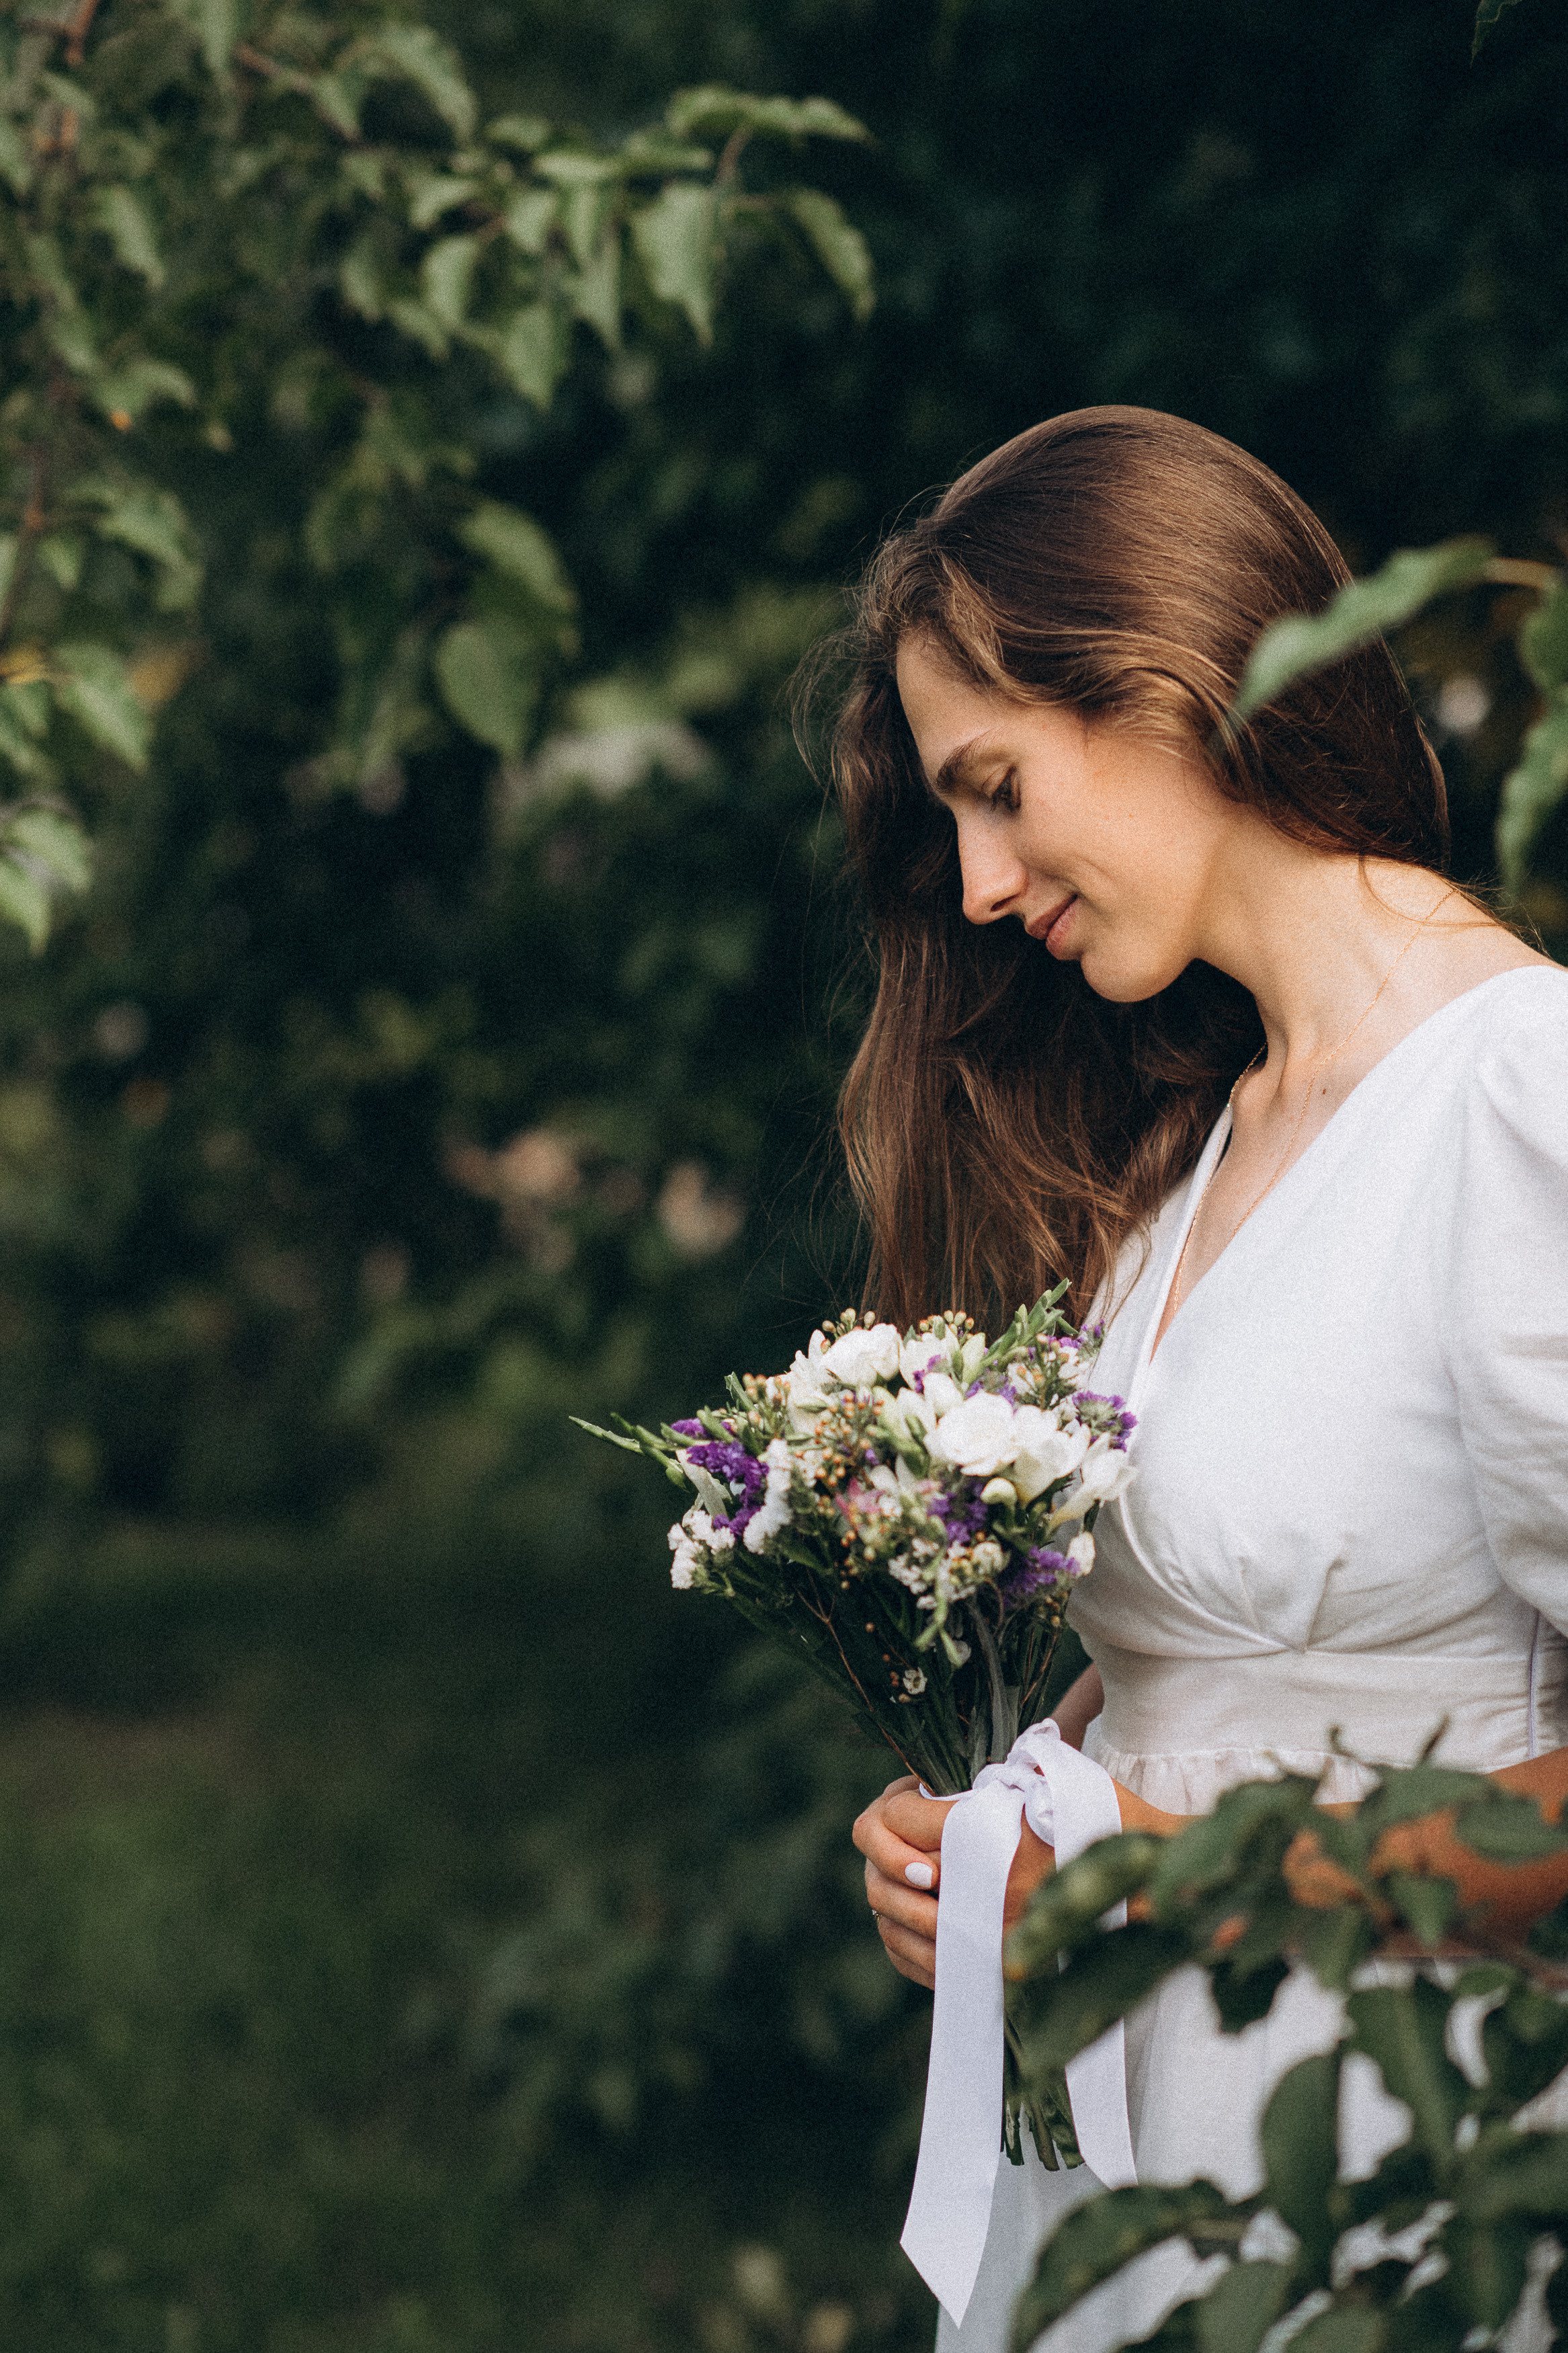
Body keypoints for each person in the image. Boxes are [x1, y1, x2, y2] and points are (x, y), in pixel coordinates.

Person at [831, 407, 1568, 2351]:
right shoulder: (1190, 1158)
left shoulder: (1516, 1096)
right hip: (1142, 2175)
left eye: (997, 786)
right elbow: (1202, 1667)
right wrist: (989, 1835)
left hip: (1403, 2153)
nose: (980, 883)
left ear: (1164, 682)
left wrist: (1185, 1880)